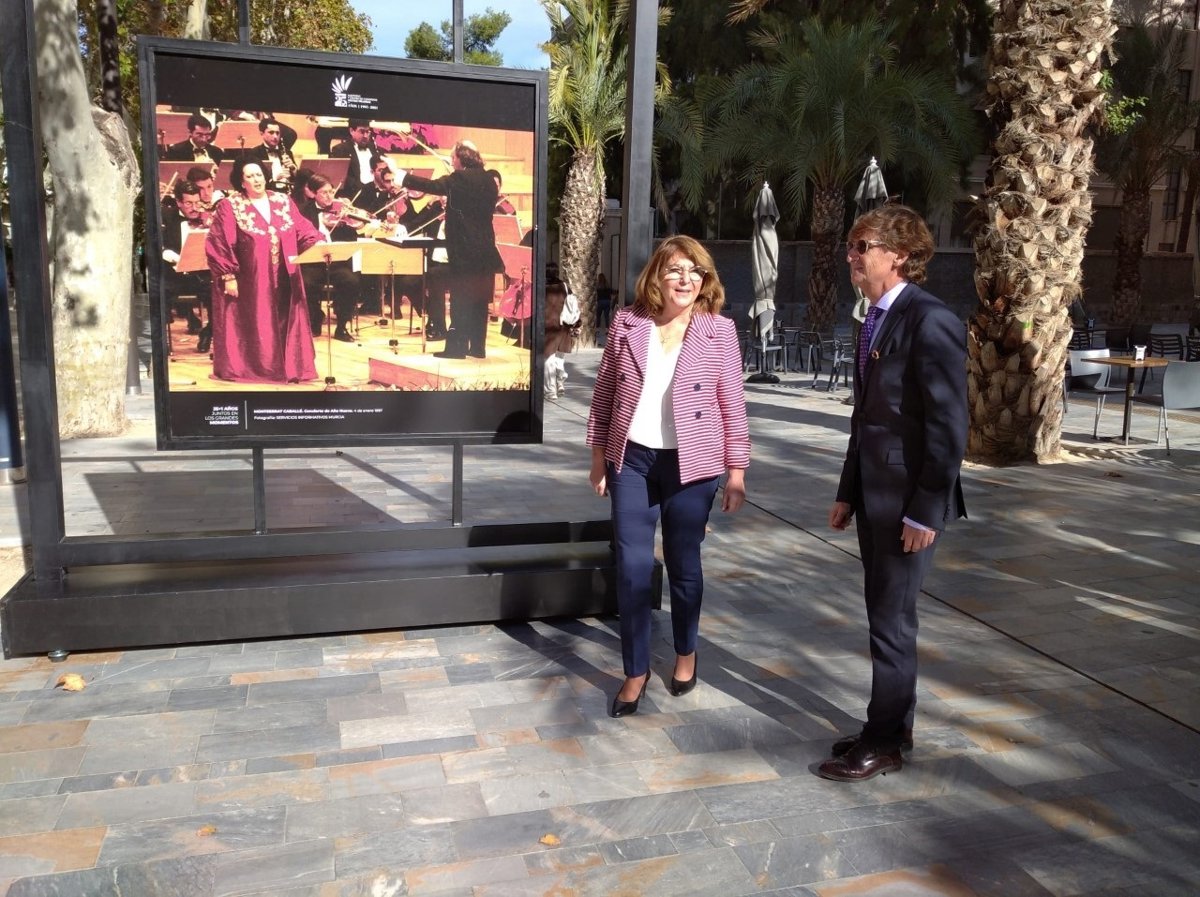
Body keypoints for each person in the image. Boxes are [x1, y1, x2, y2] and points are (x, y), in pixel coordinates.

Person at [821, 205, 968, 783]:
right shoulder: (875, 319)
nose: (851, 256)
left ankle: (883, 742)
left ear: (899, 254)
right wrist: (848, 492)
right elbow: (868, 421)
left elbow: (948, 427)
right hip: (875, 497)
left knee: (892, 623)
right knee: (885, 615)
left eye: (863, 246)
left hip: (908, 504)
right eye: (851, 245)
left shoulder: (931, 320)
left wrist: (926, 511)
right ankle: (892, 726)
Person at [587, 235, 750, 718]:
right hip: (632, 462)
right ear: (657, 275)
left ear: (705, 280)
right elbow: (604, 394)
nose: (685, 279)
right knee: (633, 568)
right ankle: (635, 671)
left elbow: (732, 405)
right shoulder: (627, 322)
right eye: (675, 269)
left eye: (695, 271)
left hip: (692, 466)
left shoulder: (719, 330)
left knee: (683, 563)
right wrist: (598, 458)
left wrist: (737, 471)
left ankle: (685, 653)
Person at [205, 158, 324, 383]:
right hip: (251, 279)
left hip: (286, 274)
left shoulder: (283, 200)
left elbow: (301, 228)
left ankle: (289, 368)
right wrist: (228, 275)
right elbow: (220, 241)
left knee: (286, 318)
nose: (256, 180)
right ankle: (261, 369)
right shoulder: (230, 205)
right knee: (259, 322)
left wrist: (317, 241)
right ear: (241, 182)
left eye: (259, 174)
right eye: (249, 176)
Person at [399, 140, 504, 359]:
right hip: (485, 250)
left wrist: (403, 177)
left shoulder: (459, 178)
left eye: (452, 157)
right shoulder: (488, 179)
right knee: (479, 301)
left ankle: (456, 349)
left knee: (460, 301)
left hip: (464, 252)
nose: (451, 160)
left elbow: (433, 186)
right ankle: (477, 348)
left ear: (461, 159)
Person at [299, 175, 366, 341]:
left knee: (351, 281)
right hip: (314, 262)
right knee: (306, 282)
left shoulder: (341, 209)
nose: (329, 196)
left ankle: (342, 326)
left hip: (337, 262)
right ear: (313, 193)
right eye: (324, 193)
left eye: (331, 191)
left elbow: (354, 234)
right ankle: (315, 318)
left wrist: (346, 219)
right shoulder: (304, 212)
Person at [161, 181, 212, 352]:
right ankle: (162, 340)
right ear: (178, 202)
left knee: (219, 293)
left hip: (200, 275)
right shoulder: (167, 217)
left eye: (197, 202)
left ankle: (208, 332)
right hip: (174, 275)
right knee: (160, 291)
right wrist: (178, 259)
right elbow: (162, 247)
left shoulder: (207, 218)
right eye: (189, 203)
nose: (195, 208)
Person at [241, 117, 298, 193]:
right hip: (266, 192)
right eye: (271, 132)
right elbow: (253, 180)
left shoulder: (287, 153)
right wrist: (275, 179)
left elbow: (296, 179)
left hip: (287, 191)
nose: (275, 136)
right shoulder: (254, 153)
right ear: (262, 134)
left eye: (277, 133)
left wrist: (293, 170)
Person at [543, 279, 576, 399]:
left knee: (549, 359)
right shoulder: (565, 287)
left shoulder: (542, 288)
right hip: (564, 327)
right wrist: (576, 324)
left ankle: (550, 391)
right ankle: (560, 381)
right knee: (559, 357)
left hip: (549, 327)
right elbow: (573, 305)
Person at [331, 119, 379, 199]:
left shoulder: (373, 147)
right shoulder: (340, 149)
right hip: (354, 195)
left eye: (367, 132)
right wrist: (363, 189)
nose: (365, 136)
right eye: (362, 132)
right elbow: (341, 177)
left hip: (374, 193)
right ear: (351, 131)